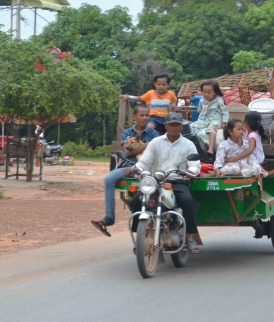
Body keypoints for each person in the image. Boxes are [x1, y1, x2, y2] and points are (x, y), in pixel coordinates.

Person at [127, 113, 202, 254]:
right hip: (156, 180)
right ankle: (140, 237)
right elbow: (145, 162)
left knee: (187, 201)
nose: (174, 127)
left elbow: (195, 165)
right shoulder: (156, 142)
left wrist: (190, 171)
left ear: (181, 127)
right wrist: (135, 168)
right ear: (166, 126)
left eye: (177, 125)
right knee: (137, 199)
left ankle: (189, 237)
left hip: (178, 181)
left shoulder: (188, 144)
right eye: (171, 124)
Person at [91, 105, 159, 237]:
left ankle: (144, 212)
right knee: (109, 179)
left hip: (146, 167)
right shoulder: (128, 132)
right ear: (135, 116)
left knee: (143, 185)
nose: (145, 118)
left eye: (147, 115)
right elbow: (127, 152)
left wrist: (138, 147)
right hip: (128, 166)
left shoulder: (154, 134)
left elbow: (151, 153)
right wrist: (147, 145)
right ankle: (109, 218)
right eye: (142, 115)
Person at [190, 79, 229, 155]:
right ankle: (194, 145)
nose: (206, 94)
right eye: (204, 92)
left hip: (215, 120)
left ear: (215, 92)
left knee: (212, 127)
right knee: (192, 126)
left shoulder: (219, 101)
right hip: (203, 120)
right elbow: (200, 110)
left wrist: (224, 123)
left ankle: (211, 148)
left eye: (209, 92)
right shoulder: (202, 100)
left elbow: (225, 112)